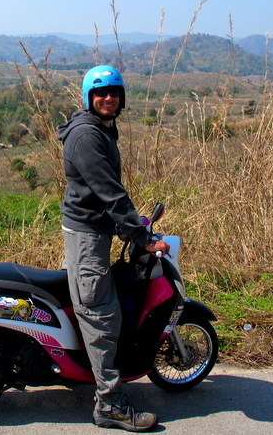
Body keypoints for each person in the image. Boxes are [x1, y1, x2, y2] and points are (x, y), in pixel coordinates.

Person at [57, 65, 168, 432]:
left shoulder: (99, 129)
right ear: (89, 96)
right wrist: (144, 237)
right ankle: (109, 404)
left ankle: (86, 372)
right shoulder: (87, 135)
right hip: (88, 237)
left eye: (115, 92)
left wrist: (128, 227)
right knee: (103, 317)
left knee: (93, 308)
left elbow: (105, 196)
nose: (109, 98)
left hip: (93, 232)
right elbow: (109, 192)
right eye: (101, 92)